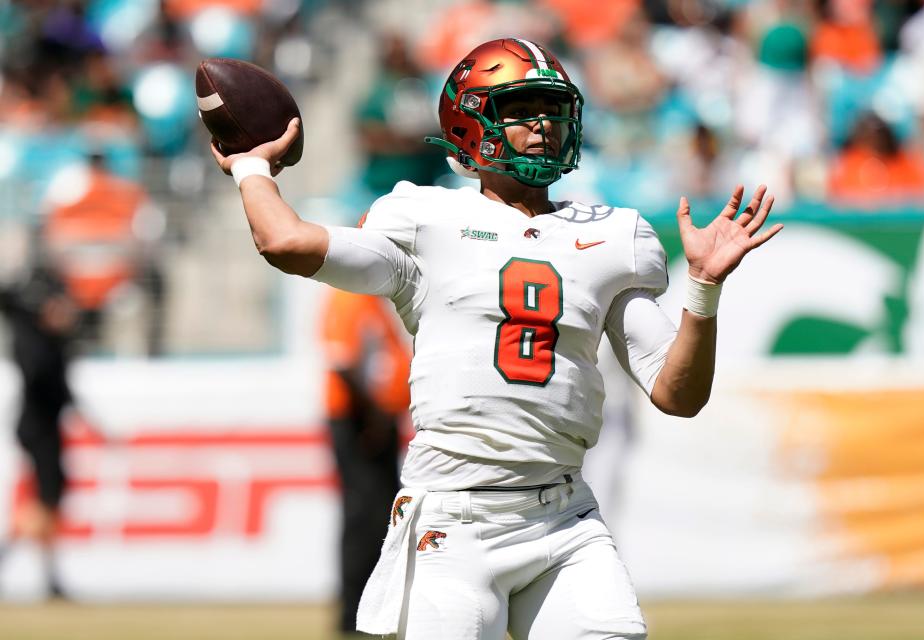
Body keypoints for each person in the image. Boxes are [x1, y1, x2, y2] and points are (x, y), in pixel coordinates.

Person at [211, 37, 781, 640]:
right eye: (520, 109)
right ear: (470, 121)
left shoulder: (616, 235)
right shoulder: (424, 219)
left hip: (565, 517)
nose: (543, 124)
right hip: (454, 517)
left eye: (552, 108)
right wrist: (251, 165)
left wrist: (702, 289)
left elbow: (678, 393)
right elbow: (287, 243)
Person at [319, 288, 411, 636]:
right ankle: (355, 615)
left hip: (375, 418)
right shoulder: (347, 296)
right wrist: (373, 415)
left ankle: (381, 609)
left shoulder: (370, 300)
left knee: (385, 516)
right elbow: (341, 362)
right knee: (363, 517)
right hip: (357, 419)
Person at [0, 265, 78, 599]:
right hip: (39, 429)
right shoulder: (34, 343)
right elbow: (49, 384)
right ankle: (45, 575)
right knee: (45, 502)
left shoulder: (47, 342)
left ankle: (51, 577)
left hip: (41, 427)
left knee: (47, 503)